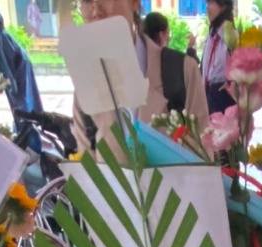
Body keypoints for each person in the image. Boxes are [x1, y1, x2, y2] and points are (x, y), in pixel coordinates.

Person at [72, 0, 209, 159]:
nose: (96, 11)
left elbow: (204, 161)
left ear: (134, 3)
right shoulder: (86, 89)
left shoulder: (181, 72)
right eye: (86, 1)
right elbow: (87, 169)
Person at [0, 7, 42, 123]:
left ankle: (26, 124)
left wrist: (9, 84)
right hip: (23, 67)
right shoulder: (3, 34)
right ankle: (33, 121)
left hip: (19, 70)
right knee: (29, 99)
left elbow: (4, 65)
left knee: (21, 102)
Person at [201, 0, 235, 116]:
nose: (207, 8)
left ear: (223, 6)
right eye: (207, 4)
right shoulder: (212, 33)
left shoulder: (230, 33)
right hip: (209, 93)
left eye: (211, 3)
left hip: (222, 94)